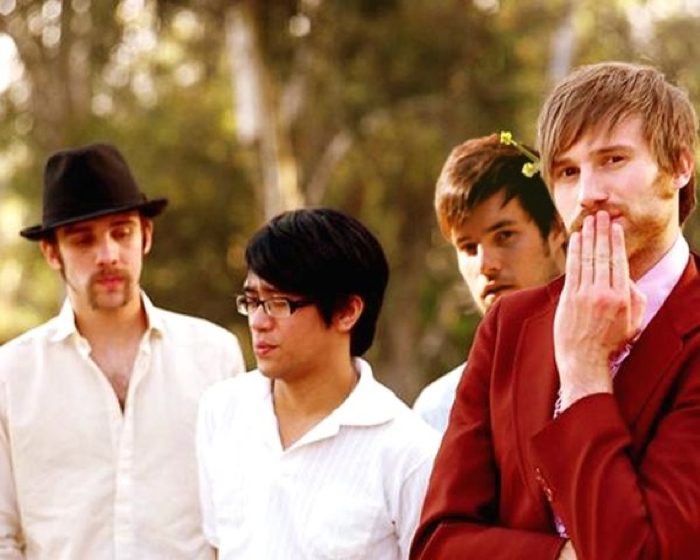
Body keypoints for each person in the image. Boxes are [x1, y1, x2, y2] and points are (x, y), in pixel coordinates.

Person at [410, 61, 700, 560]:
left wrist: (584, 371)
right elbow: (438, 544)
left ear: (678, 166)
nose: (588, 194)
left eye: (613, 160)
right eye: (567, 171)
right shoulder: (508, 326)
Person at [0, 143, 246, 559]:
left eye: (122, 232)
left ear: (145, 236)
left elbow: (240, 516)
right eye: (83, 240)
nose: (108, 255)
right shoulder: (11, 375)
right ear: (52, 253)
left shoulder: (214, 355)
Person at [196, 207, 439, 560]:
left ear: (347, 311)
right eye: (252, 301)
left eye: (279, 303)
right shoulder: (221, 410)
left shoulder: (409, 452)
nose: (258, 321)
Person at [412, 133, 567, 432]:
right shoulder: (440, 410)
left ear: (556, 228)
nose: (485, 265)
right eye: (468, 247)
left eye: (505, 236)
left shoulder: (620, 366)